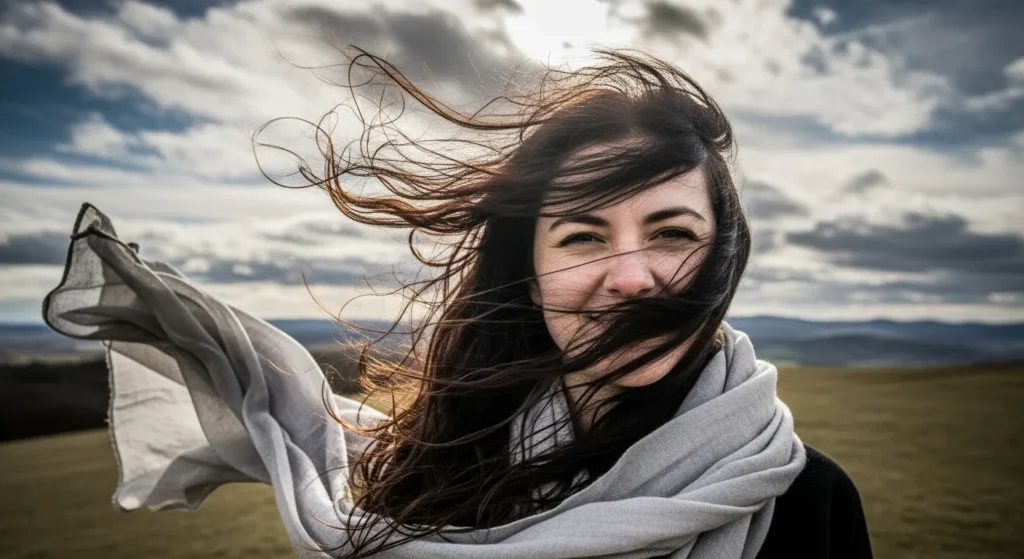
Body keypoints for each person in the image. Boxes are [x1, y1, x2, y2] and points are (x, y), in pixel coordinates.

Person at [43, 47, 871, 558]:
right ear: (531, 270)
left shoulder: (806, 502)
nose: (629, 277)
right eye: (582, 237)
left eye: (671, 231)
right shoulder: (447, 470)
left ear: (723, 252)